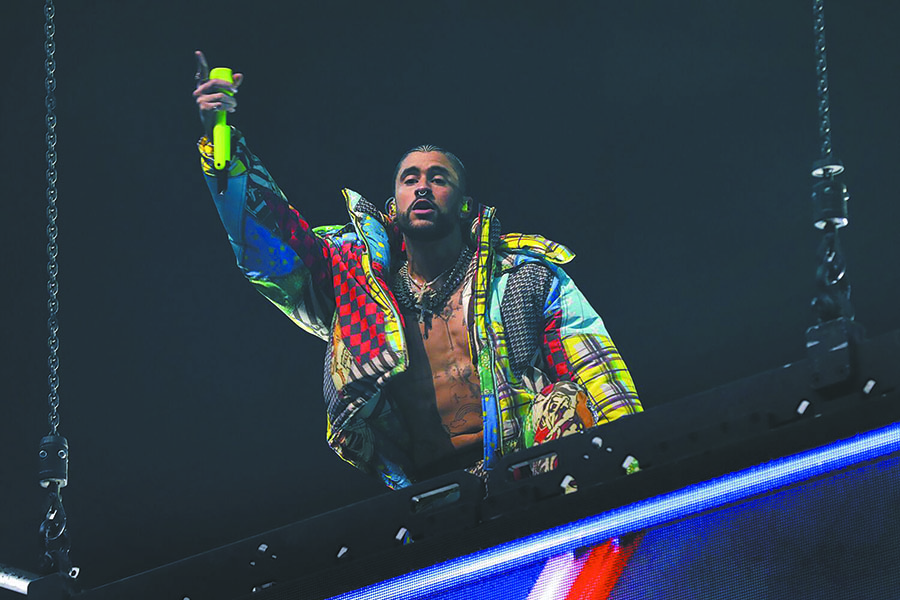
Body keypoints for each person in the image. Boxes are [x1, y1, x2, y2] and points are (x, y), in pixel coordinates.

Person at [192, 51, 642, 489]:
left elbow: (595, 370)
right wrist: (223, 146)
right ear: (393, 207)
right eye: (410, 179)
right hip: (428, 493)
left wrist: (635, 462)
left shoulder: (524, 276)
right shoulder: (358, 285)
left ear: (465, 206)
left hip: (531, 474)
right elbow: (272, 250)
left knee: (564, 400)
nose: (422, 186)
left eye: (438, 178)